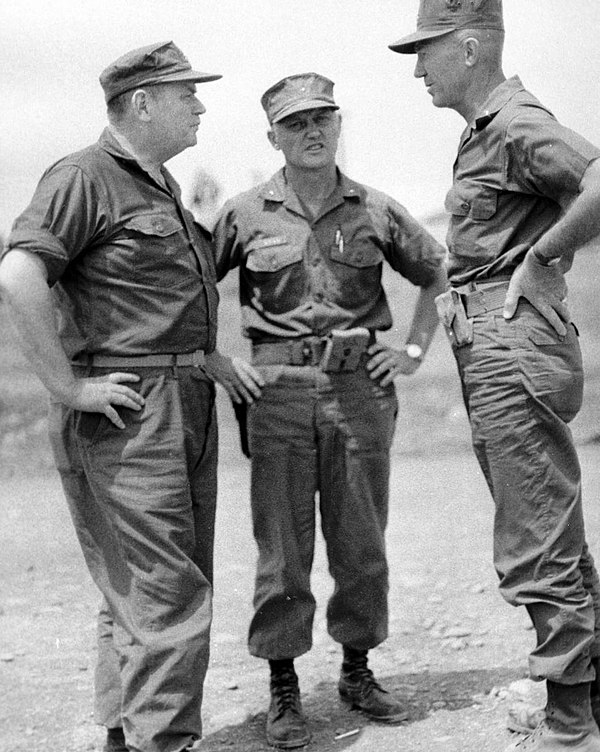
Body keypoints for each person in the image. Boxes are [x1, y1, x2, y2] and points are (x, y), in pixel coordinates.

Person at [211, 72, 448, 749]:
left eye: (322, 119)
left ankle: (357, 671)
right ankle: (284, 687)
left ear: (339, 125)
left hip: (359, 391)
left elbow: (437, 272)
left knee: (361, 541)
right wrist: (216, 359)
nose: (311, 132)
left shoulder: (375, 210)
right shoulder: (244, 213)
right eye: (295, 124)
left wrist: (409, 347)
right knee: (282, 548)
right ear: (273, 136)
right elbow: (193, 285)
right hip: (279, 393)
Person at [0, 41, 224, 752]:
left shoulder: (160, 187)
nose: (200, 105)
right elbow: (19, 275)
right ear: (143, 103)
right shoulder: (85, 176)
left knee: (140, 587)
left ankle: (127, 734)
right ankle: (167, 743)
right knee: (166, 593)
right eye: (186, 93)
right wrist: (67, 387)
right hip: (129, 411)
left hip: (179, 400)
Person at [389, 2, 600, 750]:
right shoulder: (487, 132)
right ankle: (587, 691)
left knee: (534, 529)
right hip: (495, 341)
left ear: (470, 47)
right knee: (545, 515)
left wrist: (542, 257)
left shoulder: (514, 123)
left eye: (427, 52)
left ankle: (571, 720)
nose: (417, 68)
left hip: (512, 341)